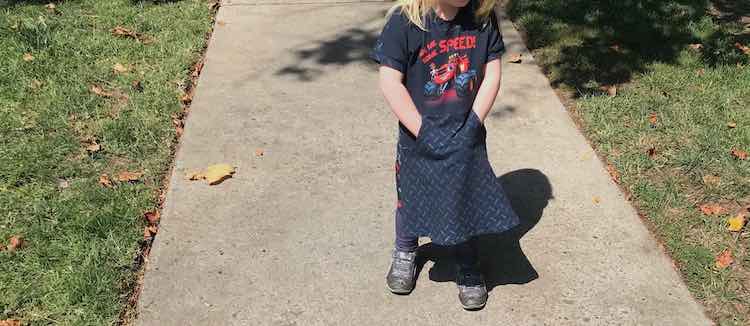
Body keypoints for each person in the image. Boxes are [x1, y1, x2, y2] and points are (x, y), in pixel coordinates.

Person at [369, 0, 520, 310]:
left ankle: (466, 260)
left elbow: (492, 73)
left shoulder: (481, 17)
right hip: (418, 134)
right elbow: (389, 81)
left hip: (467, 133)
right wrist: (422, 130)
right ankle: (406, 248)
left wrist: (474, 122)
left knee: (463, 196)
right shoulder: (406, 21)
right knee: (410, 195)